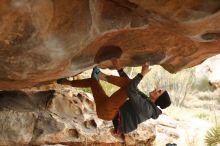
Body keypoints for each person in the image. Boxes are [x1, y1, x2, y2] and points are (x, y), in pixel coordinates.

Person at [57, 59, 171, 134]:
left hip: (109, 111)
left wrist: (142, 74)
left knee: (129, 86)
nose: (156, 89)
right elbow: (131, 85)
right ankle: (66, 82)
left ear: (158, 98)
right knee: (93, 82)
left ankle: (101, 76)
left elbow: (130, 89)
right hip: (105, 110)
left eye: (159, 91)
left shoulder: (148, 110)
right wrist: (119, 68)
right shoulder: (146, 101)